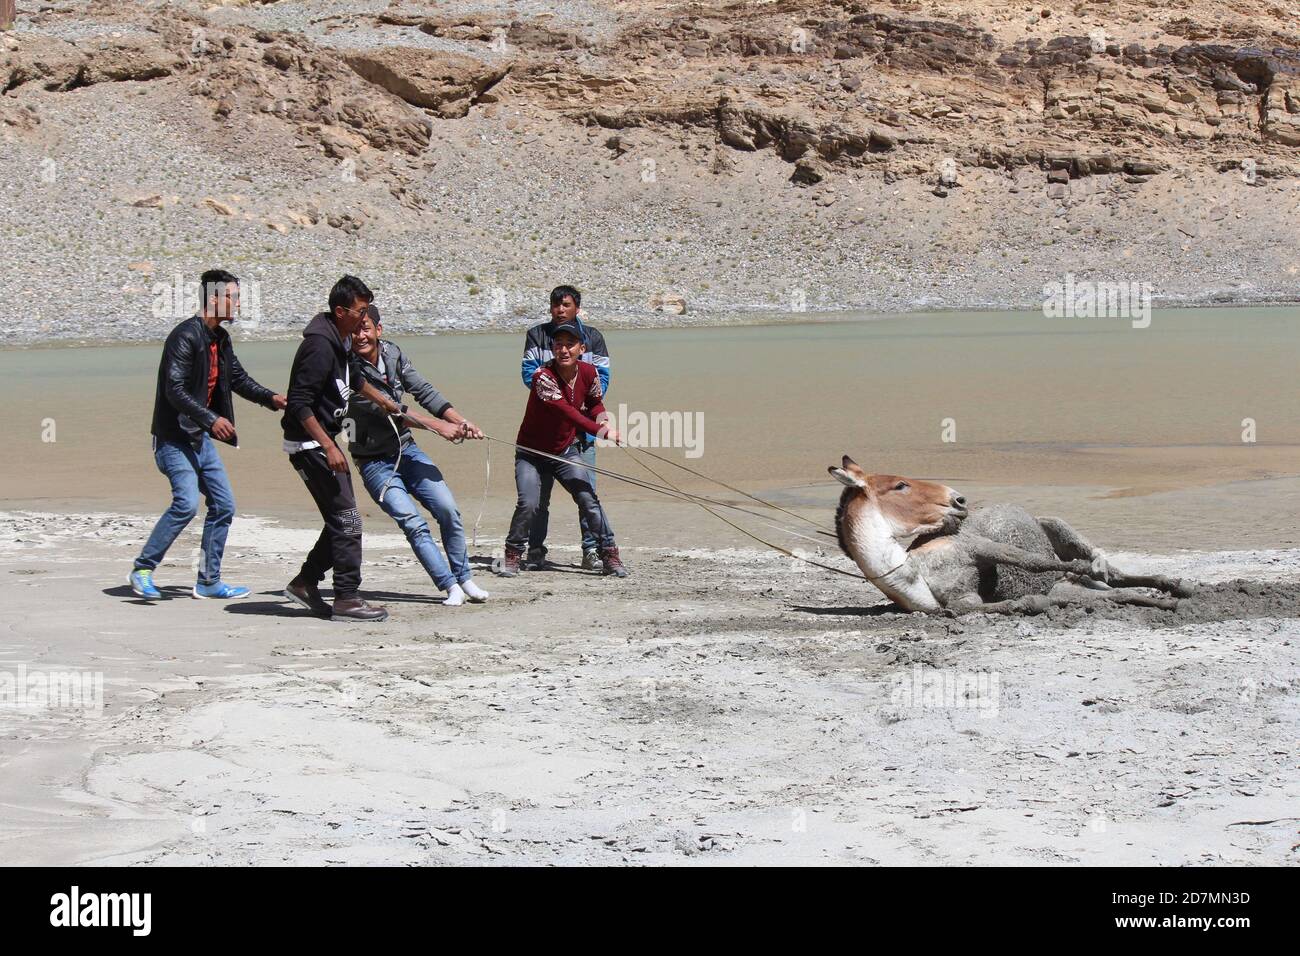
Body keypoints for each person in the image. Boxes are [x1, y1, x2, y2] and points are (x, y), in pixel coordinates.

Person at [129, 270, 286, 600]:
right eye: (234, 297)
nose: (239, 304)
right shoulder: (185, 336)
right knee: (186, 504)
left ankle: (208, 581)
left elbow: (238, 379)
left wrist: (271, 399)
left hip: (198, 438)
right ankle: (143, 568)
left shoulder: (221, 339)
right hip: (173, 439)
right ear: (214, 298)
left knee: (224, 506)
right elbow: (174, 390)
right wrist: (212, 419)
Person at [280, 275, 411, 622]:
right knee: (349, 520)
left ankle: (306, 584)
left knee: (340, 521)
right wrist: (329, 445)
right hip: (310, 444)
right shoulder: (319, 346)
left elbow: (354, 376)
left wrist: (385, 402)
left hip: (321, 441)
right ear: (341, 312)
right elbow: (298, 403)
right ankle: (346, 598)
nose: (364, 319)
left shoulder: (340, 339)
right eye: (360, 312)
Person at [348, 306, 491, 606]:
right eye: (354, 330)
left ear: (378, 329)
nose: (360, 335)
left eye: (365, 328)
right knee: (413, 522)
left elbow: (424, 391)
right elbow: (387, 409)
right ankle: (449, 586)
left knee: (448, 509)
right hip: (373, 462)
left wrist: (459, 420)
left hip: (406, 448)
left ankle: (464, 577)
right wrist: (439, 426)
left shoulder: (393, 353)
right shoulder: (347, 369)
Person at [500, 320, 627, 578]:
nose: (564, 350)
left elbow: (594, 402)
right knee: (529, 503)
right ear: (552, 349)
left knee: (588, 498)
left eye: (570, 345)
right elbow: (569, 414)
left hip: (564, 451)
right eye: (559, 345)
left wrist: (602, 418)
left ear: (581, 348)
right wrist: (603, 432)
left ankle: (609, 554)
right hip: (531, 454)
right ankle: (513, 554)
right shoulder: (542, 377)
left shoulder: (589, 372)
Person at [519, 285, 611, 571]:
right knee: (538, 497)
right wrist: (562, 400)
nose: (560, 310)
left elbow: (601, 378)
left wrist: (587, 410)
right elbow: (529, 375)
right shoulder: (537, 335)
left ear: (577, 308)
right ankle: (535, 550)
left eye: (566, 305)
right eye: (555, 305)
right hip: (548, 429)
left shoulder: (593, 337)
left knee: (587, 494)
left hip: (583, 431)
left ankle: (592, 551)